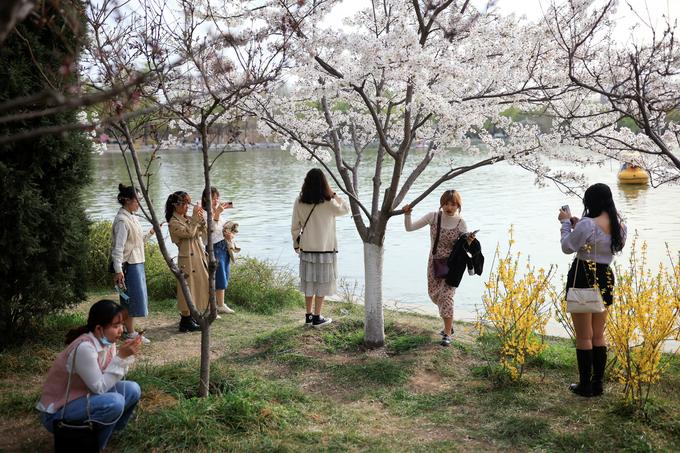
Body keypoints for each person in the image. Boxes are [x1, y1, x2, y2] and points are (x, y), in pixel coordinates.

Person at [37, 299, 142, 451]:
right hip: (58, 413)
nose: (121, 330)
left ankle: (107, 431)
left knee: (133, 389)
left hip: (83, 398)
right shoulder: (85, 348)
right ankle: (93, 445)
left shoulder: (108, 342)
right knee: (115, 402)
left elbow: (108, 378)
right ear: (99, 328)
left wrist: (122, 357)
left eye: (122, 325)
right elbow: (100, 388)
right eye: (115, 326)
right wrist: (121, 358)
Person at [559, 183, 626, 397]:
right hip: (605, 276)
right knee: (598, 335)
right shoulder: (620, 225)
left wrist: (564, 224)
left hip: (583, 276)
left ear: (589, 202)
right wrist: (578, 224)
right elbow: (601, 242)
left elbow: (567, 247)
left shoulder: (587, 224)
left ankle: (584, 386)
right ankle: (597, 384)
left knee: (584, 336)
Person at [403, 190, 476, 347]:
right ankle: (449, 325)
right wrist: (407, 214)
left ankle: (447, 333)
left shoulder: (460, 223)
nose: (449, 207)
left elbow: (464, 247)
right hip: (434, 263)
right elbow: (409, 228)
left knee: (446, 297)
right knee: (435, 296)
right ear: (441, 203)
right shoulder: (433, 217)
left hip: (453, 265)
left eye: (453, 204)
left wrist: (469, 240)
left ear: (458, 205)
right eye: (446, 203)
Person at [291, 168, 349, 328]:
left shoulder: (299, 201)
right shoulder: (328, 202)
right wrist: (335, 194)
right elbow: (346, 209)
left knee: (309, 282)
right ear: (324, 183)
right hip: (325, 249)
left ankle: (309, 316)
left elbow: (295, 227)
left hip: (307, 249)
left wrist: (297, 245)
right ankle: (317, 317)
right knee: (322, 283)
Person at [111, 183, 153, 344]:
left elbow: (136, 242)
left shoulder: (132, 217)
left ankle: (129, 330)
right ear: (128, 200)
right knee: (130, 298)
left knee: (137, 297)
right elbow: (118, 248)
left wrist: (150, 233)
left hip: (137, 262)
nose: (139, 203)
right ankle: (130, 332)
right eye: (138, 200)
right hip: (128, 265)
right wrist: (118, 270)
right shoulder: (122, 220)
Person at [166, 191, 209, 332]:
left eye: (187, 203)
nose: (186, 206)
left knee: (199, 285)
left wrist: (201, 220)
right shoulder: (173, 222)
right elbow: (188, 233)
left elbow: (200, 233)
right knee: (188, 288)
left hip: (197, 255)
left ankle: (193, 316)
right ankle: (185, 320)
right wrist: (195, 219)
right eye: (184, 203)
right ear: (175, 205)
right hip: (187, 260)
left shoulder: (187, 218)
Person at [201, 186, 235, 317]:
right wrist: (217, 214)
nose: (216, 201)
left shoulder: (216, 212)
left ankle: (221, 304)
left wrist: (228, 234)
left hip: (223, 246)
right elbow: (210, 231)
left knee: (224, 275)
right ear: (205, 198)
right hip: (213, 247)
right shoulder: (204, 214)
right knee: (215, 277)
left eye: (217, 198)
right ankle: (212, 306)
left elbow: (220, 229)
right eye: (213, 198)